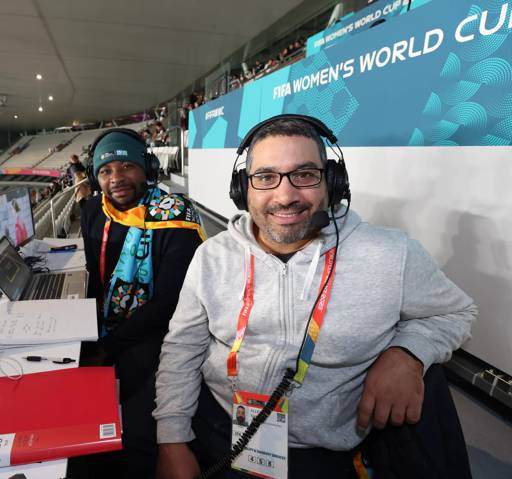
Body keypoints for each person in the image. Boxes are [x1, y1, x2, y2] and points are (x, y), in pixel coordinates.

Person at [153, 115, 477, 479]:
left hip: (325, 452)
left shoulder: (391, 254)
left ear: (332, 183)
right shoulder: (212, 257)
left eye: (305, 175)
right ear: (243, 188)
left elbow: (456, 312)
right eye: (266, 177)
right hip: (219, 430)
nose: (286, 195)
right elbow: (182, 349)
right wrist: (173, 442)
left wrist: (408, 353)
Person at [80, 129, 205, 478]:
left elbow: (168, 304)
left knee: (135, 435)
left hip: (161, 336)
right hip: (109, 330)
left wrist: (106, 349)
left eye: (126, 166)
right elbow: (94, 275)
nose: (116, 178)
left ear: (146, 168)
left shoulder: (176, 216)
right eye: (105, 171)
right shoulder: (92, 210)